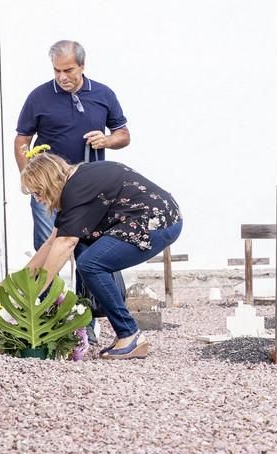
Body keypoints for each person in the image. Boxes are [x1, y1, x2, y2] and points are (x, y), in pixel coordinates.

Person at [21, 153, 182, 359]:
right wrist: (21, 282)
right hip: (149, 217)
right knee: (86, 253)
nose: (38, 199)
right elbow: (52, 242)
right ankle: (122, 333)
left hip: (158, 222)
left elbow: (66, 243)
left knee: (90, 263)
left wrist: (37, 290)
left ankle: (130, 334)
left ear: (48, 182)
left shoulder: (76, 189)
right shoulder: (77, 183)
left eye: (37, 192)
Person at [14, 39, 131, 251]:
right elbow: (22, 140)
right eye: (56, 70)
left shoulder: (104, 94)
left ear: (82, 65)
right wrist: (29, 180)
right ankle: (45, 286)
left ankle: (83, 286)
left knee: (88, 248)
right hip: (47, 185)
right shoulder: (38, 96)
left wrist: (107, 140)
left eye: (68, 70)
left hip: (90, 187)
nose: (62, 77)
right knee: (46, 247)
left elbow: (123, 135)